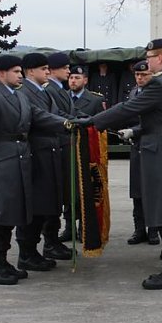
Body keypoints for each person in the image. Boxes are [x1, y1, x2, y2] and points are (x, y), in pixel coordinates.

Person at [88, 39, 162, 290]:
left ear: (160, 58)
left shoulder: (160, 82)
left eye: (149, 56)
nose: (146, 61)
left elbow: (129, 107)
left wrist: (92, 122)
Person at [0, 54, 78, 285]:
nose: (20, 75)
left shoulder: (17, 96)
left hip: (19, 160)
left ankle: (3, 262)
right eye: (16, 71)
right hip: (2, 163)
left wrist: (67, 123)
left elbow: (37, 115)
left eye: (21, 71)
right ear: (2, 74)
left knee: (12, 214)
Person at [19, 53, 72, 263]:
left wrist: (82, 120)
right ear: (31, 71)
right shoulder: (25, 92)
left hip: (50, 152)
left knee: (50, 202)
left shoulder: (44, 91)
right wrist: (68, 124)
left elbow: (58, 113)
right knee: (36, 205)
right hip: (36, 153)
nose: (47, 72)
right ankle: (28, 252)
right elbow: (40, 116)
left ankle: (46, 244)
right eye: (43, 69)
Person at [58, 64, 106, 243]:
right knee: (68, 191)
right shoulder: (61, 97)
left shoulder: (94, 100)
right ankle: (69, 227)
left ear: (85, 80)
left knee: (83, 191)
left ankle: (83, 228)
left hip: (85, 151)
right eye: (71, 77)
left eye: (77, 78)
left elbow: (100, 125)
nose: (73, 80)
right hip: (66, 148)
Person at [119, 60, 159, 246]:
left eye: (144, 75)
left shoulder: (157, 93)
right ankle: (139, 229)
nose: (141, 78)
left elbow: (152, 122)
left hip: (152, 145)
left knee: (152, 190)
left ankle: (153, 230)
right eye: (137, 75)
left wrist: (134, 130)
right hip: (136, 146)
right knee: (137, 190)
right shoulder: (134, 93)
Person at [42, 52, 77, 260]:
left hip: (65, 145)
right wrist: (78, 121)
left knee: (62, 194)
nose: (69, 71)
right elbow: (57, 116)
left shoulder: (59, 89)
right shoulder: (50, 90)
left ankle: (53, 241)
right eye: (65, 68)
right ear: (53, 69)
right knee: (54, 196)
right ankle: (50, 241)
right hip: (57, 146)